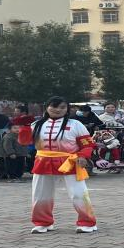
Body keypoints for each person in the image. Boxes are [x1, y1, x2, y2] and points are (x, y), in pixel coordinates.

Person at [30, 97, 97, 234]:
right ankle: (42, 223)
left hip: (70, 162)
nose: (58, 110)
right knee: (40, 195)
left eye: (62, 107)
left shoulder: (76, 124)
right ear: (47, 107)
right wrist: (22, 129)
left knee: (78, 194)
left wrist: (83, 156)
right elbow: (25, 142)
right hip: (43, 162)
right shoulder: (36, 125)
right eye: (54, 106)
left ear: (67, 109)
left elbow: (87, 144)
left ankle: (87, 222)